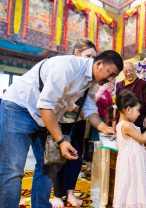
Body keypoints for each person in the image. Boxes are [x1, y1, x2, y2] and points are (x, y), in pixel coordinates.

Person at [0, 50, 123, 208]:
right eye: (110, 73)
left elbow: (88, 107)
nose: (110, 79)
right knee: (12, 169)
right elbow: (45, 104)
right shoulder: (67, 67)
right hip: (19, 108)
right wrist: (61, 140)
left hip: (45, 117)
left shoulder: (92, 81)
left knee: (49, 165)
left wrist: (103, 126)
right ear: (99, 64)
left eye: (114, 76)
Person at [50, 39, 97, 208]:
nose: (91, 60)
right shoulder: (67, 69)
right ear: (77, 53)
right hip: (60, 120)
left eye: (94, 57)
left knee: (76, 158)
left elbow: (90, 100)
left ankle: (70, 192)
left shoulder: (90, 76)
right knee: (58, 157)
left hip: (78, 121)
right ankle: (56, 194)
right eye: (88, 56)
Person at [113, 90, 146, 208]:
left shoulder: (124, 124)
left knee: (132, 187)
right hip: (131, 164)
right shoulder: (126, 125)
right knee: (132, 186)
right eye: (138, 110)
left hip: (132, 162)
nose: (139, 114)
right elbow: (143, 139)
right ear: (128, 109)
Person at [116, 62, 146, 131]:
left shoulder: (142, 84)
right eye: (126, 71)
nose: (129, 73)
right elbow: (118, 104)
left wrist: (143, 116)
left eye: (131, 70)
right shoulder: (119, 85)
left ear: (135, 69)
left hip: (138, 117)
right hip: (124, 119)